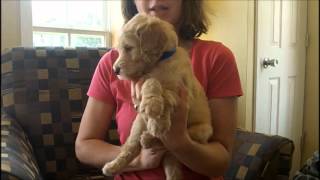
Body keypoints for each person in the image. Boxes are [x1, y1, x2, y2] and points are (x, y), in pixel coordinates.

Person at [75, 0, 243, 180]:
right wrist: (139, 160)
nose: (154, 1)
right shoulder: (113, 64)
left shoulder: (216, 57)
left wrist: (179, 143)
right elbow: (84, 146)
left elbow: (221, 163)